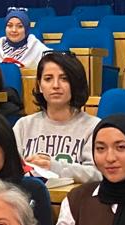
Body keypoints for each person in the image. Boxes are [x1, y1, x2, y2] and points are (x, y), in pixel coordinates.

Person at [12, 52, 98, 185]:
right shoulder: (23, 125)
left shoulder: (93, 127)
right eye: (48, 79)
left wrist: (55, 167)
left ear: (75, 84)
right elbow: (9, 168)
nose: (56, 85)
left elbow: (97, 174)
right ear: (40, 86)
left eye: (64, 79)